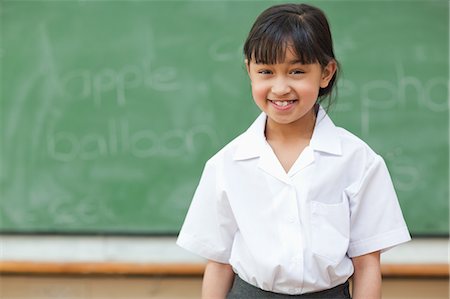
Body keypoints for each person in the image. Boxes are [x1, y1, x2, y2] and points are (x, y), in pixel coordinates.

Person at [177, 3, 411, 299]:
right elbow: (219, 263)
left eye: (297, 71)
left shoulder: (358, 161)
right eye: (266, 71)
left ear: (326, 73)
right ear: (249, 71)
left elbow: (367, 265)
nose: (280, 87)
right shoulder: (226, 164)